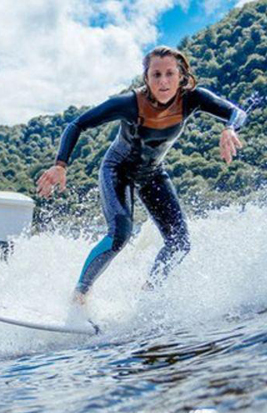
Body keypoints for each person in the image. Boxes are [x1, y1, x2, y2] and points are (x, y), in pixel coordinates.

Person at [36, 46, 247, 306]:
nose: (163, 81)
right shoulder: (128, 104)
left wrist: (229, 128)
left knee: (179, 243)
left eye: (170, 74)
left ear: (181, 76)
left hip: (152, 174)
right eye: (156, 74)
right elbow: (77, 124)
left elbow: (237, 113)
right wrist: (60, 164)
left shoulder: (193, 99)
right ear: (146, 78)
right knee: (119, 235)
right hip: (117, 171)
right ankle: (79, 294)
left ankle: (148, 294)